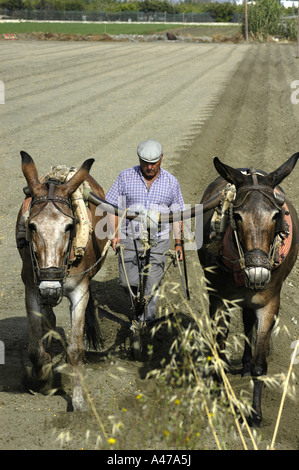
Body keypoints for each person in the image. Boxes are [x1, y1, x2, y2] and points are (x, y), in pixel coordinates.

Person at [106, 139, 185, 325]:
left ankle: (145, 323)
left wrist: (179, 243)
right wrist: (114, 235)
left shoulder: (171, 182)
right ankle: (137, 303)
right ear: (139, 159)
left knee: (151, 286)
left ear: (162, 158)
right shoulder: (125, 177)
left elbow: (178, 214)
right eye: (145, 162)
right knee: (127, 283)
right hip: (130, 239)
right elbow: (111, 207)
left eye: (154, 163)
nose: (149, 167)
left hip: (159, 241)